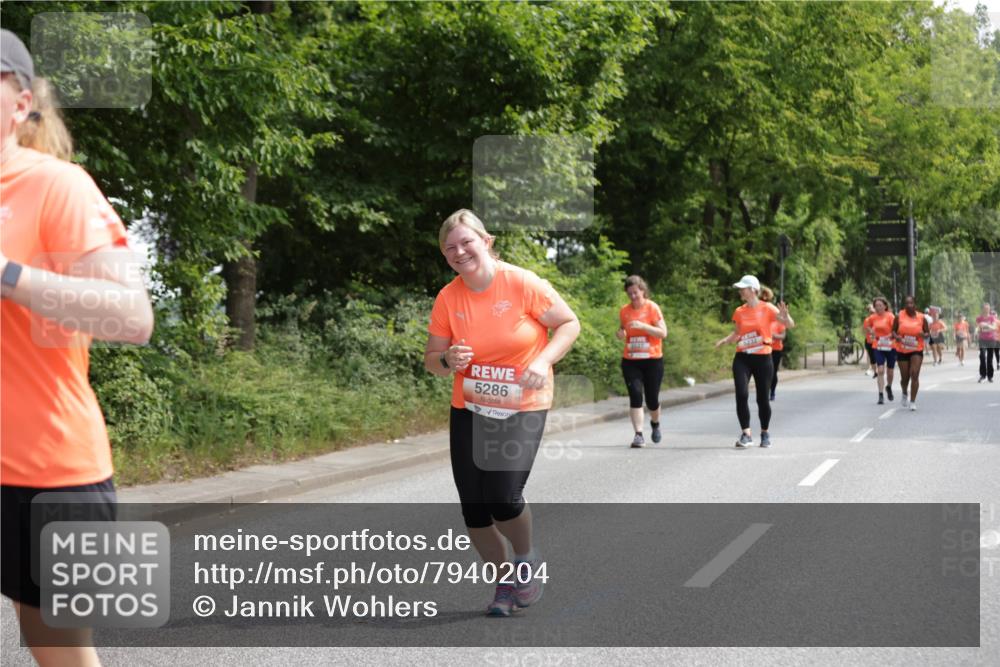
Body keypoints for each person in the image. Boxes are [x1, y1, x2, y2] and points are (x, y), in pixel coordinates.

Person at [1, 29, 154, 667]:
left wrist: (6, 274)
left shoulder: (56, 187)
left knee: (56, 649)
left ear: (20, 102)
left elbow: (130, 316)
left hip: (46, 473)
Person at [424, 209, 580, 617]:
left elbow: (568, 324)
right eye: (450, 248)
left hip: (522, 404)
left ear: (487, 241)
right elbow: (431, 360)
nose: (460, 252)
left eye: (466, 242)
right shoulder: (448, 297)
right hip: (470, 406)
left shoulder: (522, 282)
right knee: (474, 510)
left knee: (502, 497)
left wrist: (543, 361)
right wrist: (448, 360)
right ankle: (505, 583)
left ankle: (526, 558)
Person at [714, 275, 794, 448]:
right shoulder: (739, 311)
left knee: (762, 399)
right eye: (740, 288)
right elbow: (737, 332)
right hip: (743, 357)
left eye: (743, 288)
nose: (740, 291)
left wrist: (786, 317)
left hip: (763, 357)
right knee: (741, 394)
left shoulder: (768, 309)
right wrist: (725, 340)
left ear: (753, 290)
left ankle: (765, 433)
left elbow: (789, 325)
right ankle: (746, 434)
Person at [616, 275, 667, 447]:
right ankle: (638, 434)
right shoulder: (624, 311)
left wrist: (643, 326)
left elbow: (663, 333)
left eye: (635, 293)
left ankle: (655, 423)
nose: (633, 297)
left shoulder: (652, 308)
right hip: (631, 360)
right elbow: (622, 330)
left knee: (652, 399)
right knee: (636, 395)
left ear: (642, 291)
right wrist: (620, 334)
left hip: (652, 360)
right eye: (629, 294)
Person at [893, 295, 930, 411]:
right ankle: (904, 393)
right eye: (906, 303)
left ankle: (913, 401)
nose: (909, 305)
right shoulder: (899, 316)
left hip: (916, 349)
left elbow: (927, 333)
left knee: (914, 374)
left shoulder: (921, 317)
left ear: (915, 304)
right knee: (905, 378)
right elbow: (893, 331)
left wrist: (923, 335)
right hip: (902, 349)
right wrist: (897, 337)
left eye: (911, 303)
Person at [863, 296, 896, 405]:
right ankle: (880, 395)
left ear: (885, 306)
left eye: (880, 305)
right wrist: (872, 333)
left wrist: (888, 336)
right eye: (876, 306)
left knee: (890, 371)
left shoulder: (890, 316)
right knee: (880, 370)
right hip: (878, 346)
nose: (878, 307)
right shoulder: (872, 317)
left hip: (890, 346)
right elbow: (867, 327)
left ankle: (889, 387)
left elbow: (896, 330)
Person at [760, 286, 785, 401]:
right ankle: (764, 391)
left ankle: (772, 391)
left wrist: (775, 336)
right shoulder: (762, 317)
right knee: (764, 371)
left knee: (773, 372)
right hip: (765, 348)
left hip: (776, 349)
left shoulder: (779, 320)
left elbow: (783, 335)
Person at [976, 303, 999, 383]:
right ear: (983, 309)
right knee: (982, 356)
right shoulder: (979, 318)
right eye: (985, 308)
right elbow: (978, 328)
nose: (986, 310)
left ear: (989, 309)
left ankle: (990, 376)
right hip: (982, 339)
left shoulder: (992, 317)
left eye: (988, 308)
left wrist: (986, 325)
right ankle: (983, 375)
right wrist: (980, 328)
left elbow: (994, 327)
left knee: (990, 358)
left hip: (991, 339)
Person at [862, 303, 876, 377]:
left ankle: (877, 368)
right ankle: (869, 369)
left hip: (877, 341)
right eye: (870, 311)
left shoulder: (878, 319)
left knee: (876, 355)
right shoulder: (867, 320)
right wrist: (868, 336)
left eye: (872, 311)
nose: (871, 312)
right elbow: (863, 330)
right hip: (869, 340)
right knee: (869, 354)